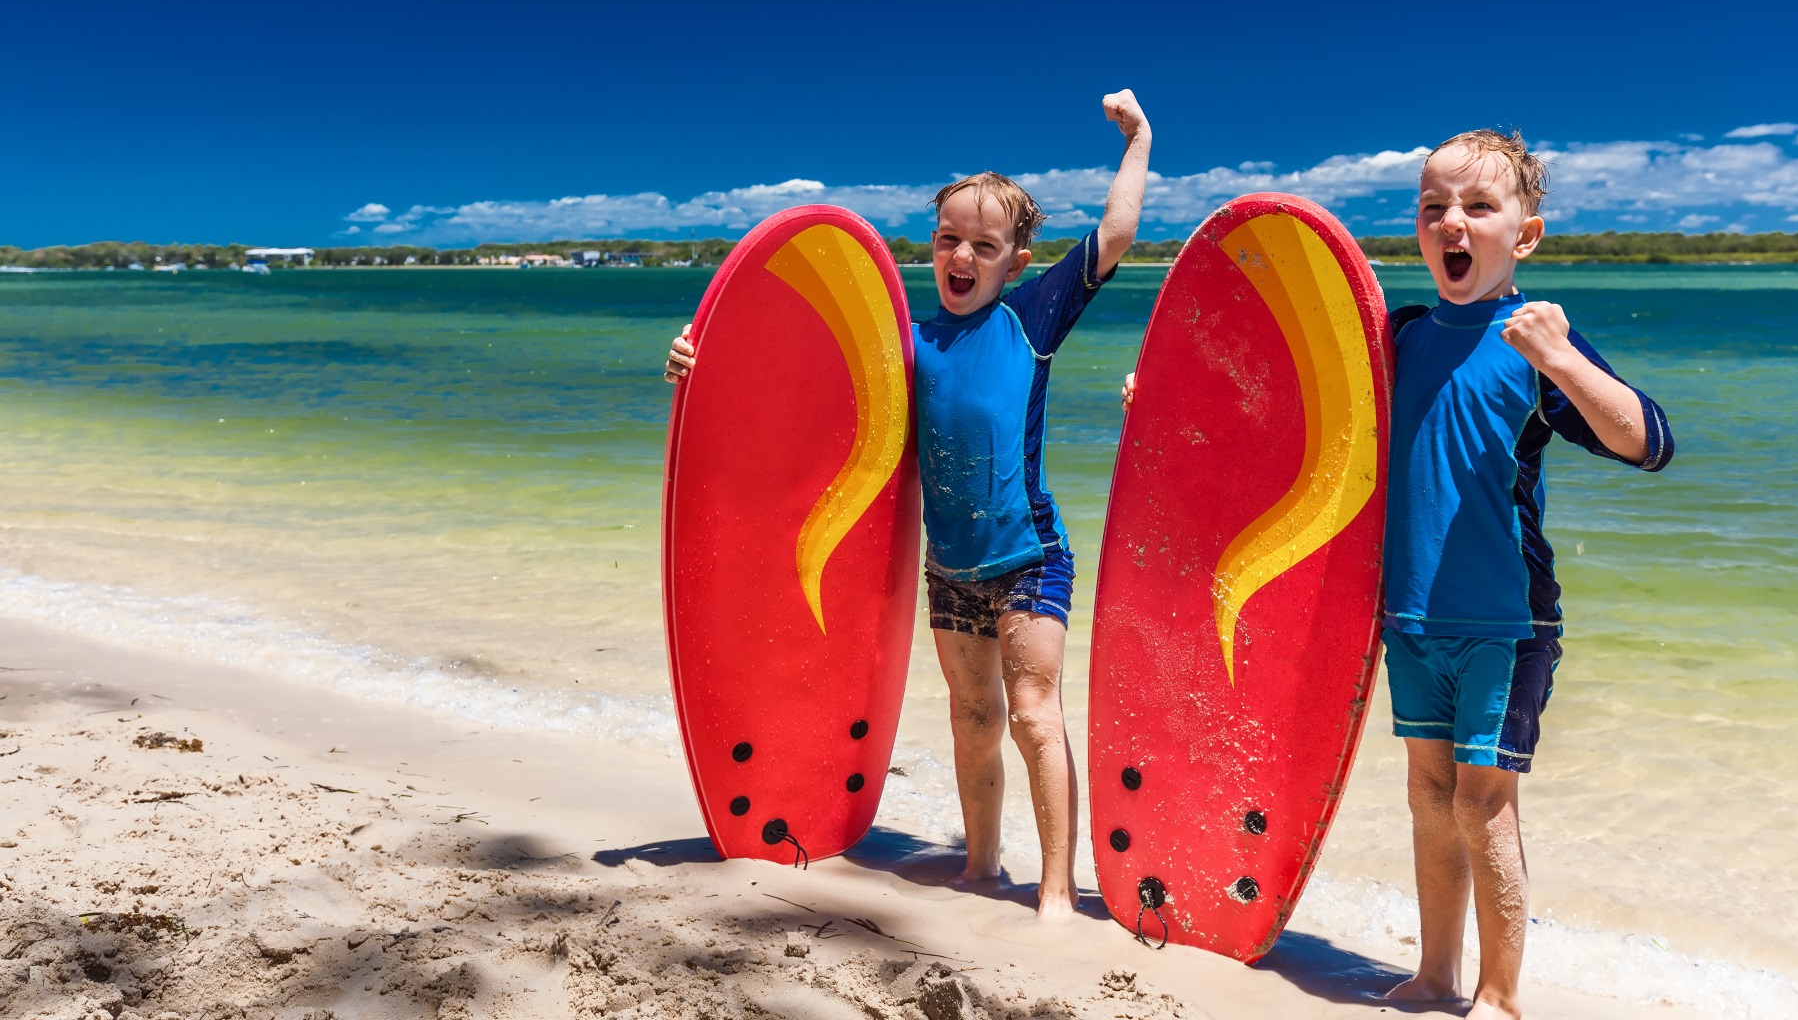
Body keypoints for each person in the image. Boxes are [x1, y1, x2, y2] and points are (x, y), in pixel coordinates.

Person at [1122, 129, 1673, 1017]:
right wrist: (1163, 395)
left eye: (1478, 208)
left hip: (1506, 621)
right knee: (1428, 795)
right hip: (1407, 618)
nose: (1453, 223)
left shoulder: (1536, 347)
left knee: (1484, 803)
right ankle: (1435, 975)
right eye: (1434, 209)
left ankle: (1500, 995)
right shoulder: (1398, 335)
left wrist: (1563, 359)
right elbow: (1284, 408)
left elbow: (1648, 442)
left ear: (1524, 235)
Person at [668, 90, 1152, 919]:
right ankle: (981, 868)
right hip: (949, 568)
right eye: (948, 240)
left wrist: (1139, 138)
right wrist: (699, 362)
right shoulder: (906, 342)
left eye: (984, 245)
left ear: (1017, 261)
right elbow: (797, 389)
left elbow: (1115, 233)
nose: (961, 256)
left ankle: (1057, 891)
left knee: (1034, 714)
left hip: (1030, 557)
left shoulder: (1033, 319)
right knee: (972, 717)